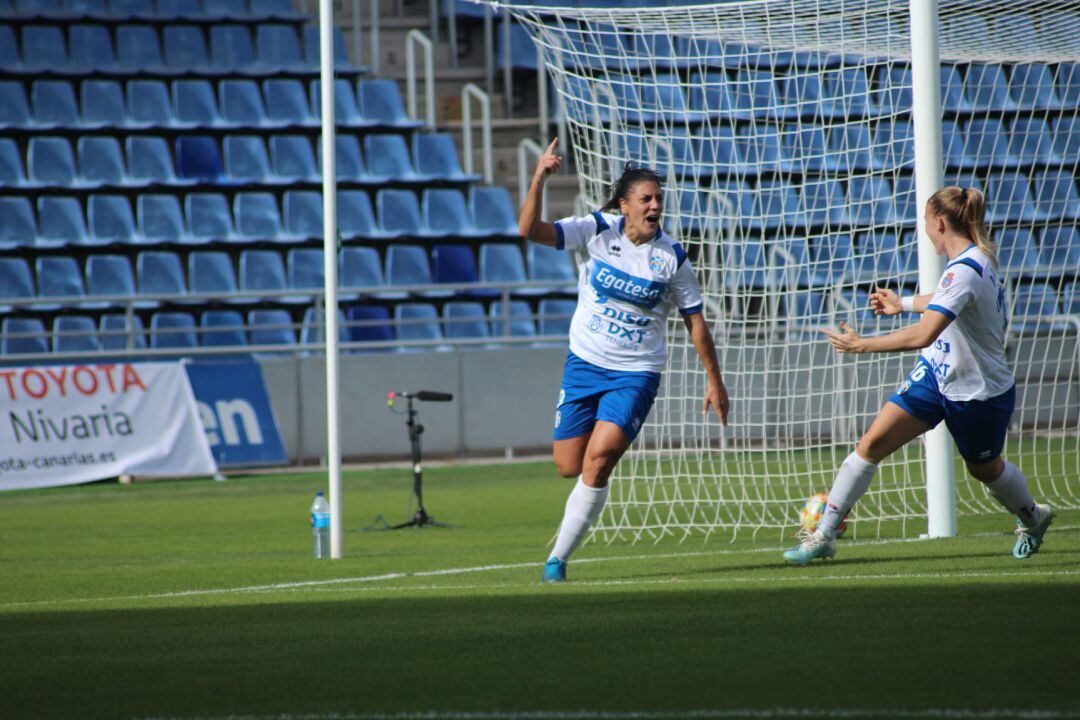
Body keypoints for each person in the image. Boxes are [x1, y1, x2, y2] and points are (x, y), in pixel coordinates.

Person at [783, 186, 1054, 565]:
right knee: (871, 443)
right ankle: (823, 535)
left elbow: (925, 333)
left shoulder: (966, 269)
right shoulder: (974, 260)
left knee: (985, 470)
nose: (924, 229)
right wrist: (904, 303)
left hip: (977, 392)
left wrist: (863, 345)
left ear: (940, 223)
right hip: (936, 375)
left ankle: (1032, 516)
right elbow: (947, 298)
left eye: (926, 222)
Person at [519, 139, 730, 582]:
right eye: (646, 199)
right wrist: (539, 176)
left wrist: (715, 380)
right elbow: (530, 231)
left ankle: (557, 558)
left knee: (599, 459)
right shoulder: (595, 230)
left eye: (659, 199)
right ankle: (577, 516)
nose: (655, 206)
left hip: (635, 373)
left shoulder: (672, 257)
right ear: (624, 205)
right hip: (584, 364)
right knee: (568, 466)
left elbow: (696, 323)